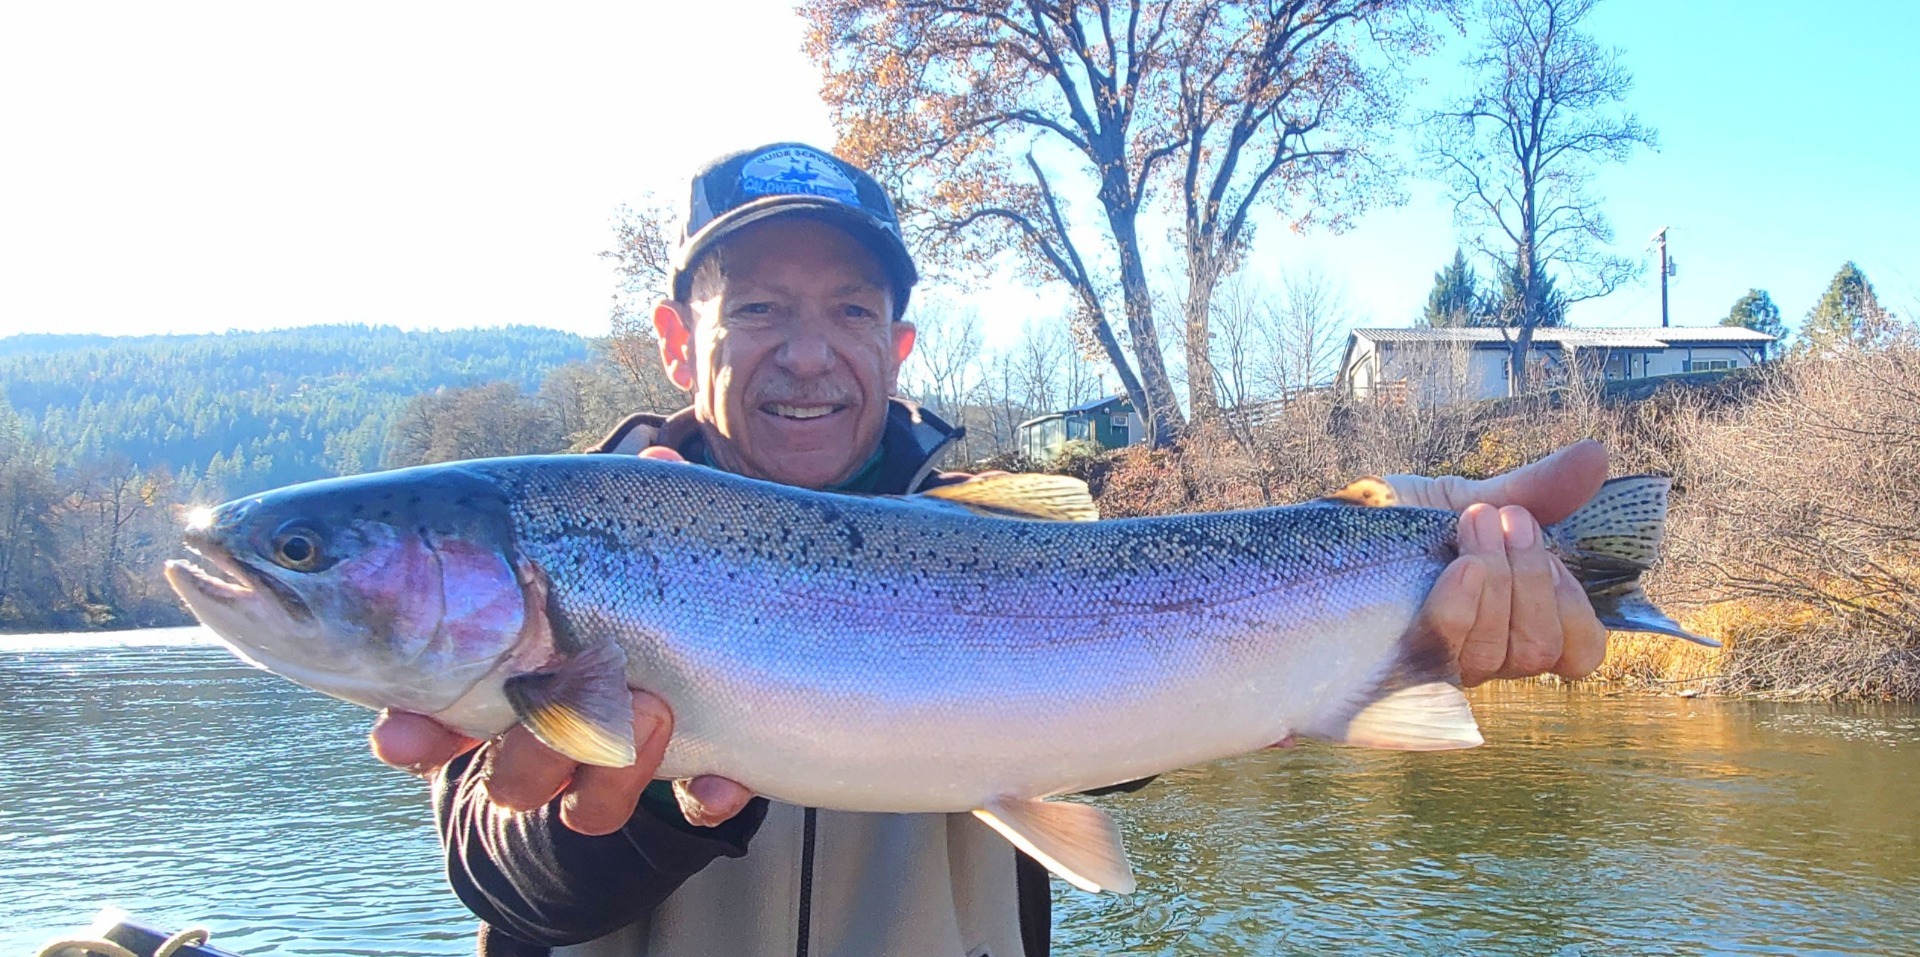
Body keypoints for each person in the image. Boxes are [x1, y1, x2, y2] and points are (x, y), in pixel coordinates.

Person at [370, 143, 1613, 957]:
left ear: (900, 346)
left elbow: (1136, 709)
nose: (810, 352)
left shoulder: (994, 531)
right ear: (673, 340)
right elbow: (510, 887)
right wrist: (645, 810)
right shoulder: (549, 553)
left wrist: (1412, 599)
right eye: (758, 309)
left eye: (852, 310)